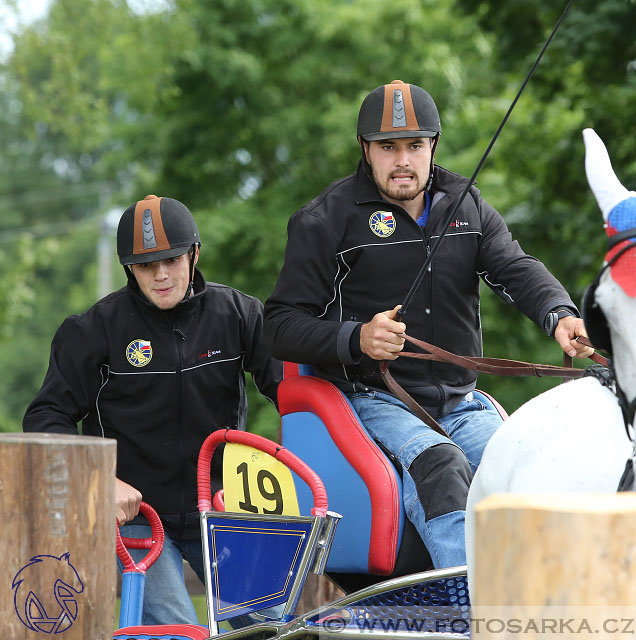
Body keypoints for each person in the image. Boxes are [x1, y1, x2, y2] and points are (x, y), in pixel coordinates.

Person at [264, 80, 593, 568]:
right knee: (441, 464)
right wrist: (357, 338)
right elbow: (280, 325)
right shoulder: (324, 220)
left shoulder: (466, 203)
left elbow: (514, 267)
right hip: (373, 401)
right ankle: (466, 610)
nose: (403, 160)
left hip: (461, 403)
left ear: (432, 146)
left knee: (535, 464)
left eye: (415, 146)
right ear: (365, 150)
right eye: (388, 147)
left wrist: (560, 314)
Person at [23, 195, 283, 627]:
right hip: (138, 520)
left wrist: (300, 451)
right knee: (176, 628)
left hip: (221, 511)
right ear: (130, 269)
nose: (161, 275)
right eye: (146, 266)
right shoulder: (91, 330)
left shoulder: (239, 314)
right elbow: (45, 418)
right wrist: (101, 481)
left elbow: (292, 393)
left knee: (273, 626)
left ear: (194, 254)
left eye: (172, 259)